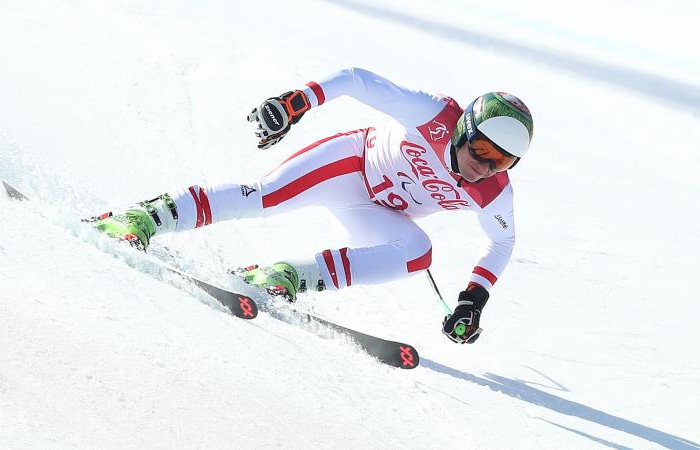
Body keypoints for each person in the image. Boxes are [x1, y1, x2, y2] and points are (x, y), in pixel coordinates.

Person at [95, 67, 534, 344]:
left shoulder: (494, 192)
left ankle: (288, 275)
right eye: (480, 149)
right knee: (264, 198)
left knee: (418, 254)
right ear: (464, 129)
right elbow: (356, 79)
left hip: (381, 212)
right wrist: (297, 103)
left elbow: (502, 241)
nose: (485, 166)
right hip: (349, 166)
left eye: (503, 161)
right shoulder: (432, 114)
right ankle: (145, 216)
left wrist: (473, 300)